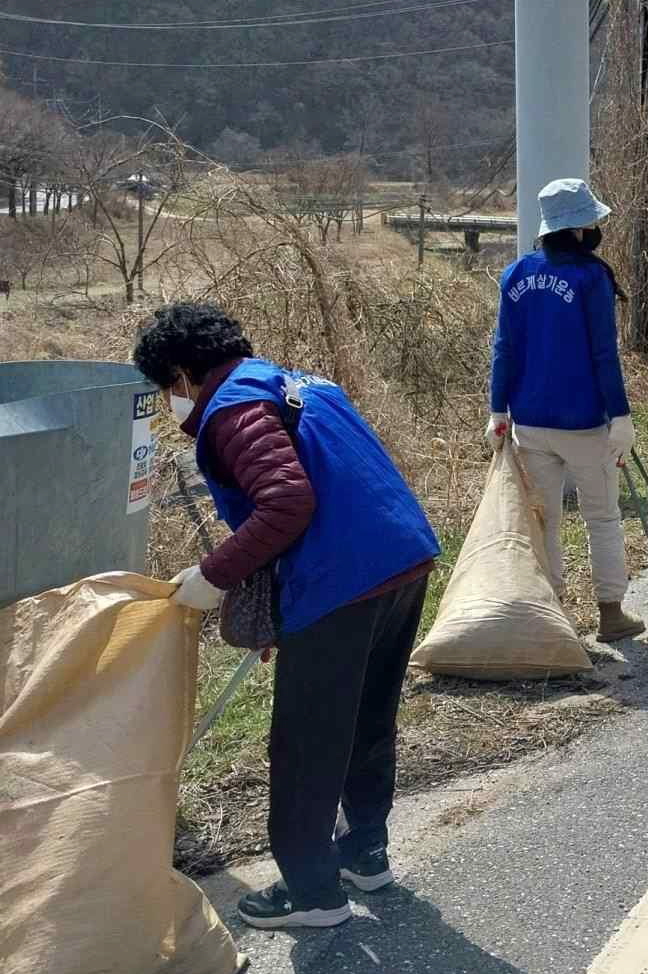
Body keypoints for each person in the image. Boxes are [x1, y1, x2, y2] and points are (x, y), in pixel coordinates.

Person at [133, 302, 440, 931]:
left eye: (168, 388)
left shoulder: (232, 410)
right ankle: (365, 856)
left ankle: (311, 892)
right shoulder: (293, 381)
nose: (172, 402)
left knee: (306, 739)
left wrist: (213, 576)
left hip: (342, 580)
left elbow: (286, 502)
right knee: (365, 718)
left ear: (183, 375)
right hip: (400, 559)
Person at [488, 177, 645, 644]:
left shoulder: (515, 274)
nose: (597, 227)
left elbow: (504, 349)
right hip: (585, 423)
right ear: (577, 228)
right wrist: (620, 415)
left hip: (529, 423)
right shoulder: (591, 278)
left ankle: (555, 620)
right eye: (592, 220)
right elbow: (603, 354)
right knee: (601, 517)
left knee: (545, 522)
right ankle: (611, 614)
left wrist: (498, 410)